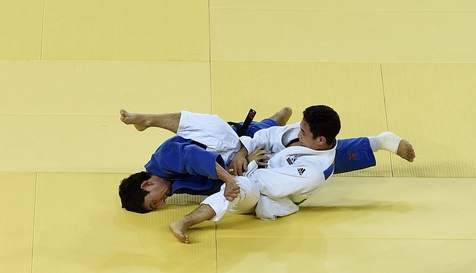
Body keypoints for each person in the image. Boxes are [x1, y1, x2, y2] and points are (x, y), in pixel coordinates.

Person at [118, 107, 416, 216]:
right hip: (246, 156)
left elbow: (196, 159)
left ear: (147, 183)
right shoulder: (172, 183)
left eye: (153, 202)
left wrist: (230, 178)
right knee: (298, 148)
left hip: (233, 144)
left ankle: (150, 119)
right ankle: (275, 118)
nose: (161, 204)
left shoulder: (164, 158)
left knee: (316, 150)